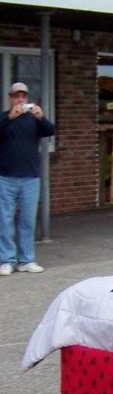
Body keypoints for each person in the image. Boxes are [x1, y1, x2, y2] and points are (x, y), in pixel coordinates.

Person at [0, 82, 56, 276]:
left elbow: (50, 130)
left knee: (27, 220)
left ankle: (27, 260)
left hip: (30, 178)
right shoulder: (4, 118)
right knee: (4, 220)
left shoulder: (34, 120)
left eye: (23, 96)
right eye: (17, 96)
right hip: (5, 178)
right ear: (11, 98)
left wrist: (41, 118)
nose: (21, 99)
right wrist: (9, 117)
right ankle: (6, 260)